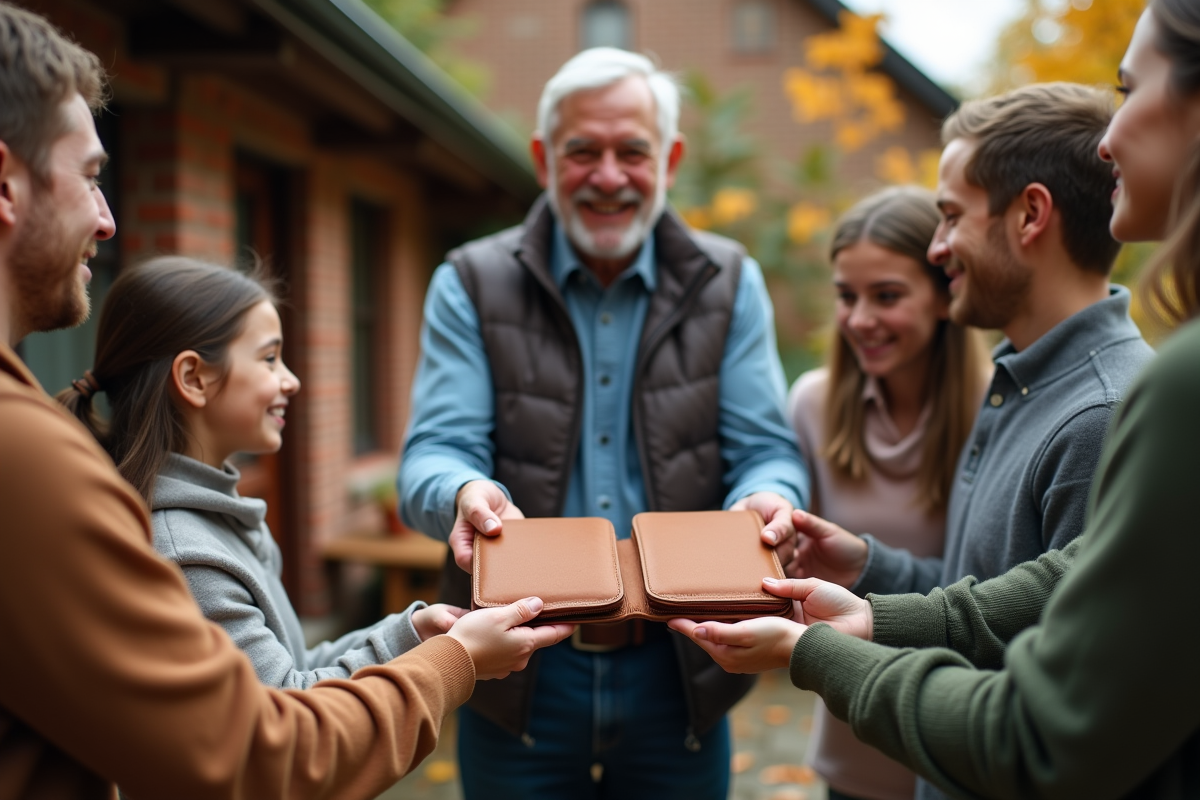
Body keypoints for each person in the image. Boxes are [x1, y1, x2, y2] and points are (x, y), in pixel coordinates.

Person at [0, 4, 573, 798]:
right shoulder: (62, 477)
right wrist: (454, 662)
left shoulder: (195, 506)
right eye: (93, 176)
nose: (107, 219)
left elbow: (284, 683)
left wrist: (411, 633)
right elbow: (261, 749)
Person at [670, 1, 1200, 795]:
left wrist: (816, 650)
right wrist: (873, 572)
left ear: (1031, 215)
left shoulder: (1107, 409)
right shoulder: (1022, 383)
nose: (937, 246)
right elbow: (1030, 590)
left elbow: (1050, 730)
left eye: (950, 216)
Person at [398, 46, 809, 798]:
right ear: (544, 159)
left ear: (670, 160)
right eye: (583, 151)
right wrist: (460, 491)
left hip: (681, 665)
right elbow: (435, 450)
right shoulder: (469, 281)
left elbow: (766, 450)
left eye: (633, 152)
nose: (610, 176)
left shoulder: (730, 280)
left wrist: (769, 497)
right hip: (517, 668)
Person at [58, 257, 467, 688]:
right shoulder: (187, 554)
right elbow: (287, 706)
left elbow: (295, 667)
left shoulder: (221, 518)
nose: (291, 381)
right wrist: (449, 659)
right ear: (194, 378)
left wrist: (413, 634)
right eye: (270, 358)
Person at [786, 186, 989, 800]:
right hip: (853, 738)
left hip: (959, 740)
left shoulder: (994, 413)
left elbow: (998, 592)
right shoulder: (814, 405)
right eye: (847, 296)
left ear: (945, 294)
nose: (859, 319)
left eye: (887, 296)